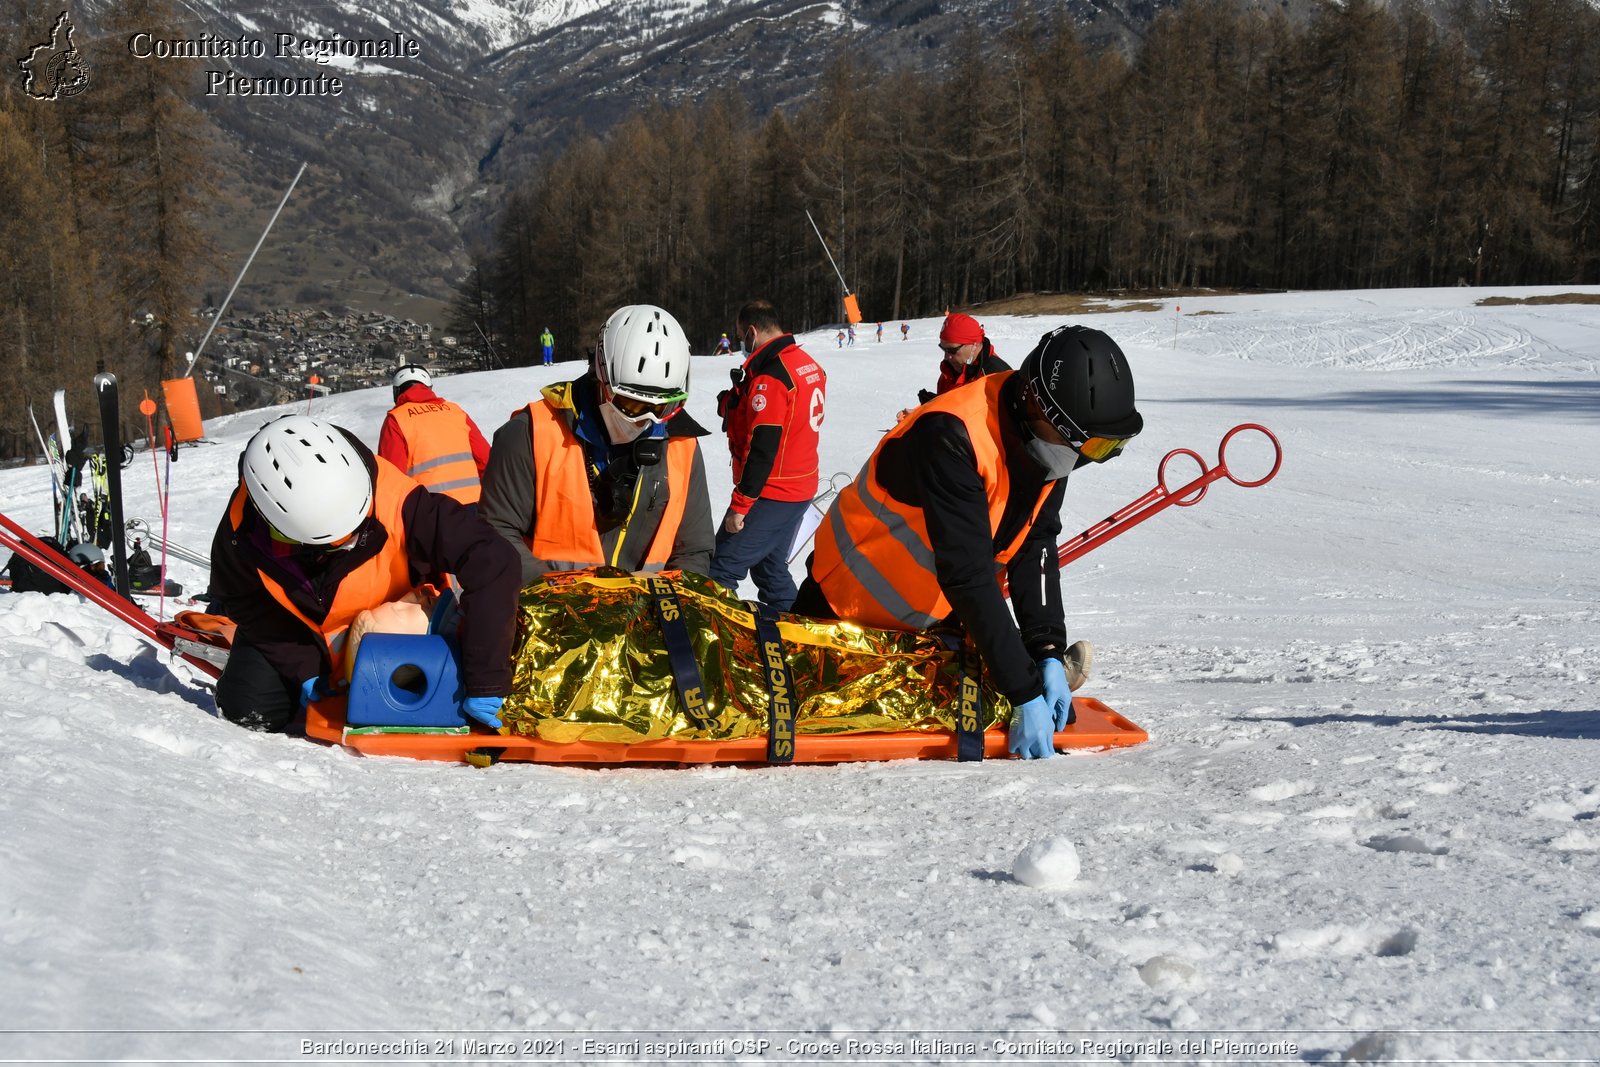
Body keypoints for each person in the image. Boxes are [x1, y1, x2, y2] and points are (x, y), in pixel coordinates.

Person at [793, 325, 1142, 759]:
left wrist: (1046, 647)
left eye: (1108, 447)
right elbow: (969, 573)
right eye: (1091, 443)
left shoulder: (1053, 445)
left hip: (923, 617)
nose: (1090, 456)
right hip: (842, 609)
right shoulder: (951, 434)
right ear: (1041, 408)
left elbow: (1036, 542)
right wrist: (1024, 690)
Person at [208, 415, 521, 734]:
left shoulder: (399, 501)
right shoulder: (241, 536)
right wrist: (303, 667)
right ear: (283, 531)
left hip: (394, 627)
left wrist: (487, 680)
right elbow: (246, 602)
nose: (352, 544)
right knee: (248, 707)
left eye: (356, 532)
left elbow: (492, 559)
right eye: (337, 544)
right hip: (304, 639)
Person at [479, 304, 715, 584]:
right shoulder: (530, 434)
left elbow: (694, 550)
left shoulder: (681, 446)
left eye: (664, 407)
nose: (647, 420)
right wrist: (562, 597)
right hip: (549, 617)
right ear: (601, 377)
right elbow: (496, 532)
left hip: (642, 620)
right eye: (631, 403)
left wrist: (653, 602)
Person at [710, 299, 826, 611]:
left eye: (740, 337)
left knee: (720, 567)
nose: (741, 344)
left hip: (773, 491)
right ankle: (793, 632)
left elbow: (763, 446)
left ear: (751, 332)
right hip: (799, 487)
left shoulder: (771, 378)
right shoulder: (806, 363)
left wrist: (741, 506)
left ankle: (707, 640)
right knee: (769, 569)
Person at [378, 364, 491, 507]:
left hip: (429, 512)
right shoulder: (455, 411)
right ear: (429, 387)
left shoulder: (396, 419)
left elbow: (392, 478)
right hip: (473, 506)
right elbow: (486, 459)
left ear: (397, 391)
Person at [897, 312, 1010, 421]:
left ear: (974, 345)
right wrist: (920, 414)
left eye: (952, 350)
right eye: (944, 349)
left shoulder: (998, 377)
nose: (947, 357)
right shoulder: (950, 370)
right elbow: (952, 407)